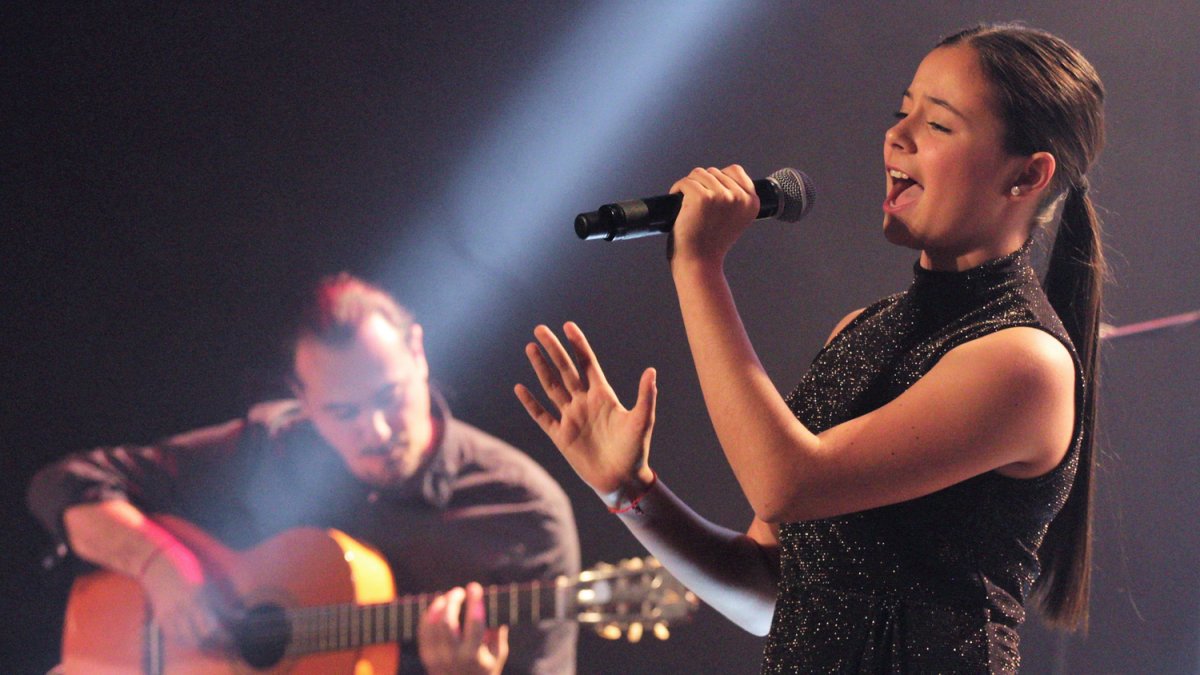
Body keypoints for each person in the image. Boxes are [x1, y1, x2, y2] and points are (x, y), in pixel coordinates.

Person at [515, 23, 1104, 673]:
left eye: (937, 125)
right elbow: (774, 592)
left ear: (1027, 176)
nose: (897, 137)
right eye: (900, 112)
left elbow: (785, 482)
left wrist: (699, 265)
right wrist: (630, 492)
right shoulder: (861, 331)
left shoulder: (1025, 362)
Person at [28, 273, 581, 675]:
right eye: (342, 413)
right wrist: (157, 564)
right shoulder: (273, 446)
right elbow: (65, 484)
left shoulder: (523, 515)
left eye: (389, 398)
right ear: (303, 401)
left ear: (418, 353)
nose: (378, 431)